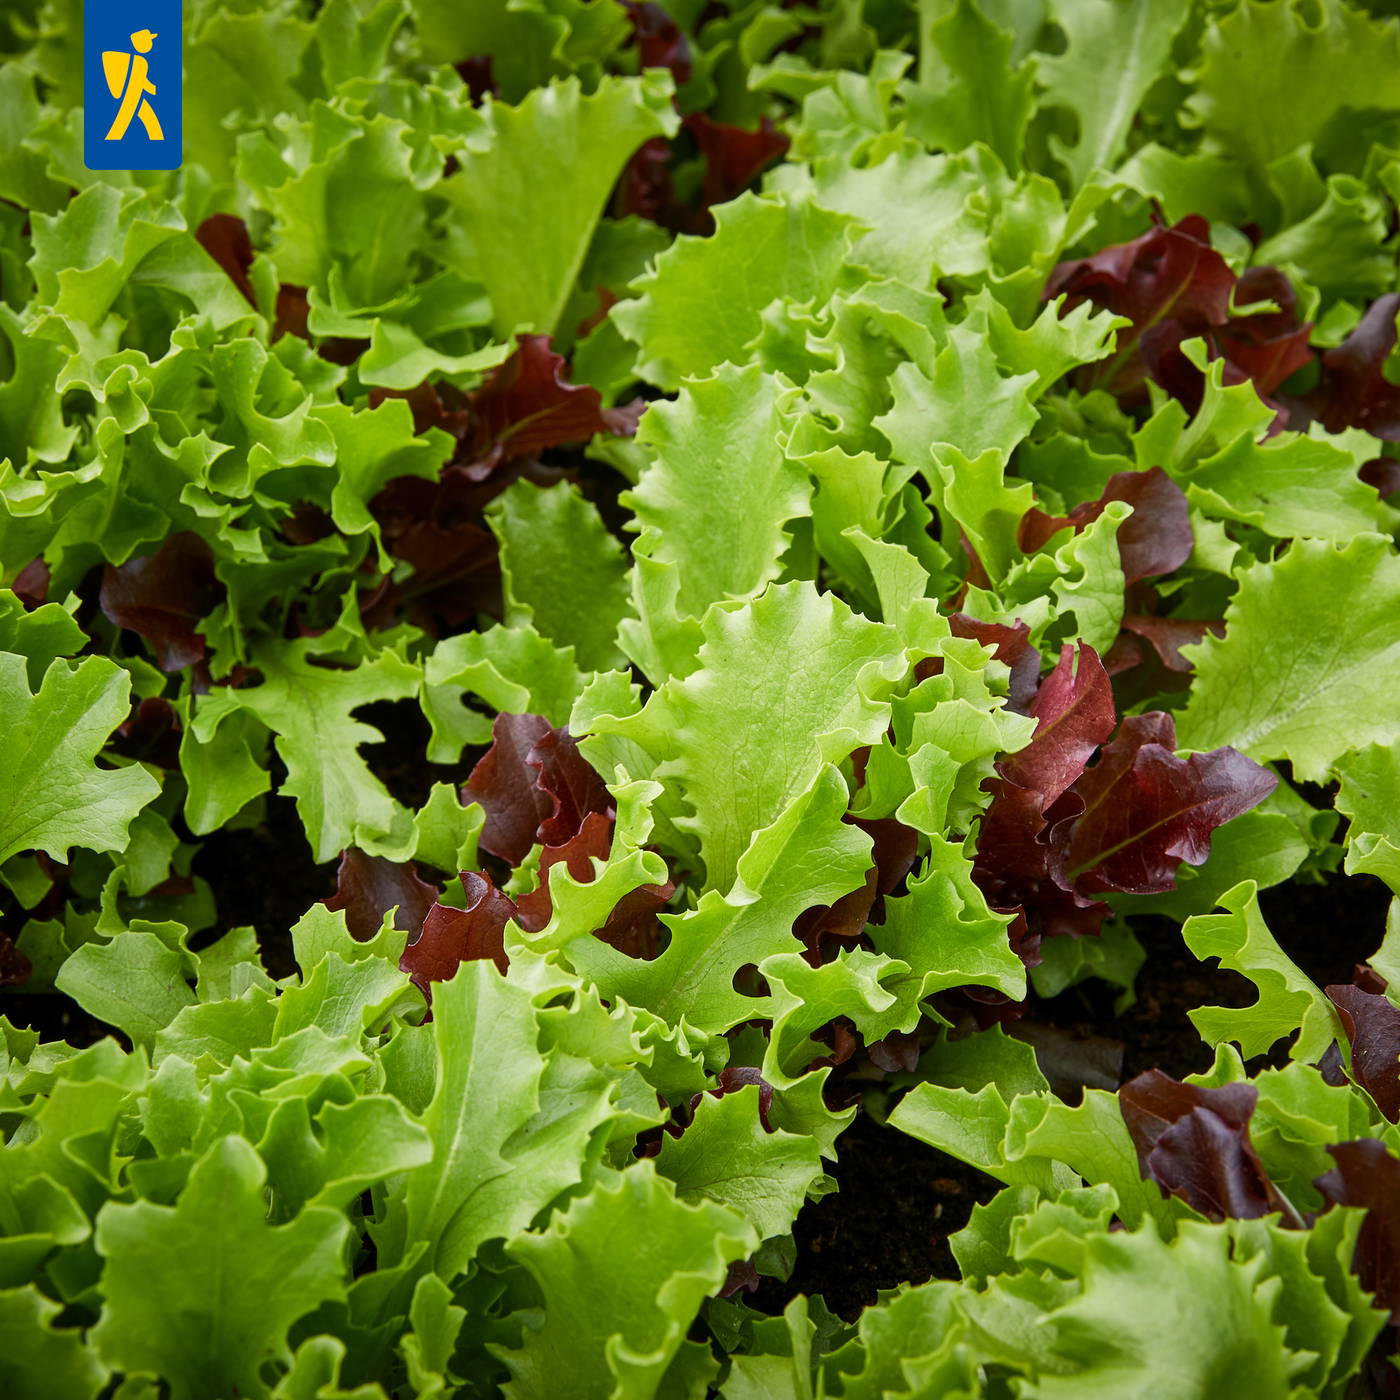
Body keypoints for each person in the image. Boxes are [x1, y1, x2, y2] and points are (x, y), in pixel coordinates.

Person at [103, 29, 164, 142]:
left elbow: (145, 84)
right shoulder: (138, 62)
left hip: (132, 95)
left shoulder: (125, 58)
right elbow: (144, 84)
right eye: (148, 41)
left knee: (147, 122)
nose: (151, 44)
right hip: (131, 95)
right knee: (125, 123)